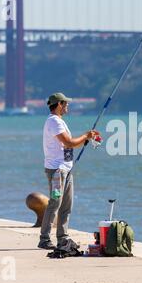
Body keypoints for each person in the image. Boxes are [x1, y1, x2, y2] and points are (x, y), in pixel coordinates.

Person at [38, 92, 99, 250]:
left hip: (65, 169)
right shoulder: (54, 122)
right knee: (55, 204)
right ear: (59, 104)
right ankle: (44, 239)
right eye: (66, 104)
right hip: (57, 171)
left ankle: (62, 238)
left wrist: (86, 137)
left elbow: (66, 146)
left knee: (66, 205)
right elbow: (69, 143)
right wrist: (86, 136)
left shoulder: (58, 121)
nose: (67, 106)